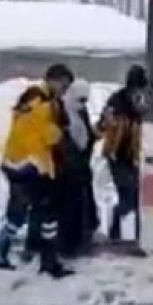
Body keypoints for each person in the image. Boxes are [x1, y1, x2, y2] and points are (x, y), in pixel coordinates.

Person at [0, 63, 74, 278]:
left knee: (21, 213)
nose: (64, 90)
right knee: (46, 213)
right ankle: (47, 260)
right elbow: (44, 134)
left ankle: (1, 253)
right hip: (32, 165)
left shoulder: (30, 98)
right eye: (63, 85)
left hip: (18, 164)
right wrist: (59, 134)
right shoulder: (43, 103)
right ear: (53, 80)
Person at [98, 65, 149, 242]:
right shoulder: (116, 101)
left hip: (133, 154)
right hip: (116, 154)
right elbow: (102, 124)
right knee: (127, 193)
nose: (137, 93)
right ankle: (115, 229)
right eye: (135, 88)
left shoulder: (144, 103)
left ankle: (137, 235)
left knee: (138, 196)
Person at [57, 78, 99, 257]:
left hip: (81, 168)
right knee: (69, 211)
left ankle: (80, 240)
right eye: (80, 100)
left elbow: (86, 137)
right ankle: (67, 246)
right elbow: (62, 142)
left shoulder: (81, 112)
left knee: (82, 208)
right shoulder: (63, 113)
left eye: (85, 100)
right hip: (68, 170)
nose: (83, 104)